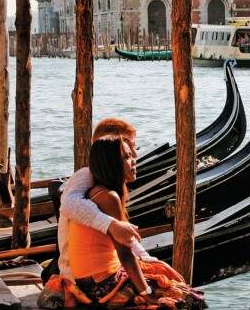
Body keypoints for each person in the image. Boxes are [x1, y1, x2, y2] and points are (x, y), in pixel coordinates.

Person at [68, 135, 205, 308]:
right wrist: (146, 293)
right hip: (101, 285)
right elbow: (124, 254)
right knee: (190, 299)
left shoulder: (99, 192)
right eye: (126, 157)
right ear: (111, 164)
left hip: (90, 281)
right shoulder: (109, 197)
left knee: (162, 274)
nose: (133, 161)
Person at [42, 118, 142, 284]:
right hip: (77, 275)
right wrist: (111, 225)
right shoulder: (86, 175)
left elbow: (124, 236)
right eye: (129, 147)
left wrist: (144, 256)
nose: (135, 154)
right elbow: (69, 205)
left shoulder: (107, 185)